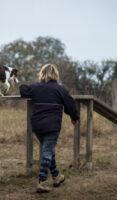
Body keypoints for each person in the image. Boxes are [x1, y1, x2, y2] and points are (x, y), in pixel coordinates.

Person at [19, 63, 79, 193]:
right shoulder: (60, 89)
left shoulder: (35, 87)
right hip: (52, 126)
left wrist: (31, 86)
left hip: (37, 126)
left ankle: (57, 176)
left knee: (48, 150)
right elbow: (70, 104)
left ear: (42, 74)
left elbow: (23, 89)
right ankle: (42, 181)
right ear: (55, 75)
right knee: (47, 151)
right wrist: (74, 117)